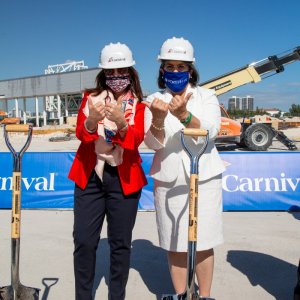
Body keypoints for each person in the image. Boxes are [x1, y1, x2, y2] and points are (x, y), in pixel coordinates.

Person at [143, 37, 225, 298]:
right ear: (161, 69)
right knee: (175, 242)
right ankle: (181, 294)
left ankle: (205, 295)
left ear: (191, 69)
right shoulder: (154, 99)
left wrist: (184, 116)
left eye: (181, 66)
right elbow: (153, 144)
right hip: (169, 180)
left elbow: (210, 131)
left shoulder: (207, 95)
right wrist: (157, 119)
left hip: (204, 178)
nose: (176, 71)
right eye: (170, 66)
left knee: (205, 241)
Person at [68, 42, 147, 300]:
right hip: (90, 175)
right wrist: (92, 120)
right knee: (84, 241)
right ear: (103, 73)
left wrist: (122, 123)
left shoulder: (141, 105)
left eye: (120, 71)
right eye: (110, 72)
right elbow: (82, 133)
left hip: (123, 178)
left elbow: (135, 141)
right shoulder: (89, 98)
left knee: (120, 244)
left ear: (130, 72)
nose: (115, 77)